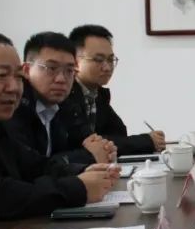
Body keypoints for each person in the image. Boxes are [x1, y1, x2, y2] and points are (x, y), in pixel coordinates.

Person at [0, 31, 118, 225]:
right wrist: (77, 188)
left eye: (18, 76)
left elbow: (32, 165)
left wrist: (84, 170)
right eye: (1, 75)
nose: (14, 88)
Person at [5, 31, 117, 165]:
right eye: (51, 68)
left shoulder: (65, 104)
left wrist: (105, 149)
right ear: (27, 70)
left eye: (69, 70)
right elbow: (29, 166)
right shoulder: (13, 106)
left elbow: (90, 141)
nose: (61, 79)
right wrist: (90, 155)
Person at [66, 24, 165, 156]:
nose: (107, 67)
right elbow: (89, 143)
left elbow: (119, 134)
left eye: (110, 59)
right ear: (75, 63)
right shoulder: (64, 93)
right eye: (98, 60)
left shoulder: (98, 94)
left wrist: (147, 140)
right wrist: (147, 141)